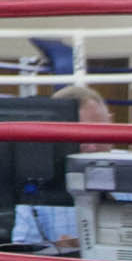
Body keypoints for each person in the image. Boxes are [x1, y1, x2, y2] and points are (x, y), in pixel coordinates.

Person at [13, 84, 116, 249]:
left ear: (111, 123)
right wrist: (56, 252)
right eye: (79, 138)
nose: (91, 147)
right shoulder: (35, 193)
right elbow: (21, 258)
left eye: (98, 133)